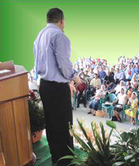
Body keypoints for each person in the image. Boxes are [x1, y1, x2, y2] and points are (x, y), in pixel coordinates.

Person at [34, 8, 80, 166]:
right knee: (64, 126)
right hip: (57, 88)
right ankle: (66, 162)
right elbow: (64, 65)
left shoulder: (40, 35)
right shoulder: (59, 36)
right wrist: (75, 78)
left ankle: (56, 159)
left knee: (52, 125)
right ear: (62, 20)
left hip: (45, 85)